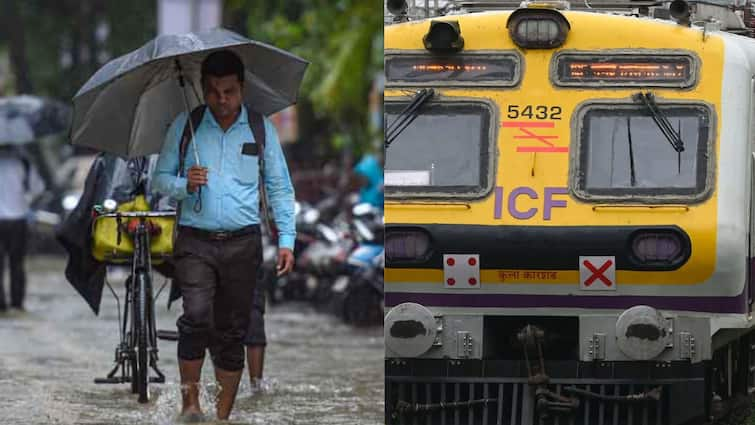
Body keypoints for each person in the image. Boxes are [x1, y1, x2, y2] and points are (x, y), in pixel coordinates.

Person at [153, 50, 296, 421]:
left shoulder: (262, 129)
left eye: (229, 91)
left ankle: (221, 417)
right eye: (214, 91)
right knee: (196, 316)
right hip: (195, 241)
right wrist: (185, 184)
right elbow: (160, 179)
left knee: (233, 331)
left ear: (241, 88)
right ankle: (190, 405)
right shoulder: (185, 127)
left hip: (243, 243)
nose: (221, 99)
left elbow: (279, 188)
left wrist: (286, 241)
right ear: (202, 88)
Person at [0, 146, 44, 312]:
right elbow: (37, 188)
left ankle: (1, 306)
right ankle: (17, 304)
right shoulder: (23, 162)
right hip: (18, 219)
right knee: (17, 263)